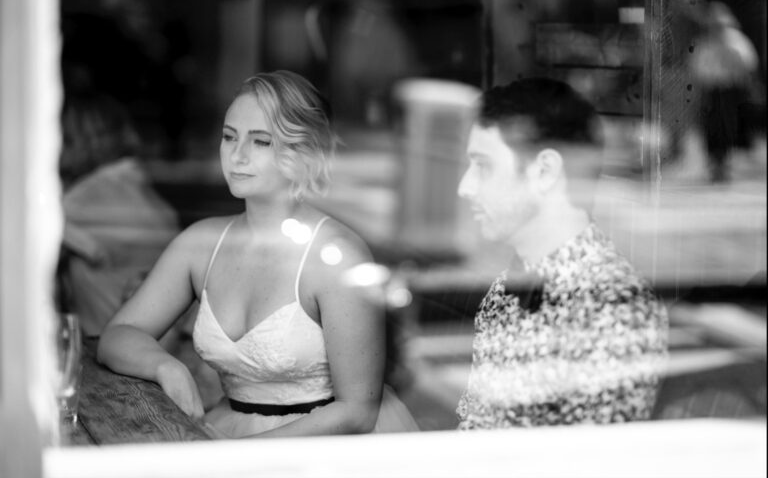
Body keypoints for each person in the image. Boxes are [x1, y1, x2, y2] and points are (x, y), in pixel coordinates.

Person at [98, 70, 418, 437]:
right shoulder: (201, 243)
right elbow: (118, 335)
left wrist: (240, 460)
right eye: (228, 136)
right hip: (230, 427)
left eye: (261, 142)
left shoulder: (335, 255)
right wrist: (165, 367)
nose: (237, 155)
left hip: (323, 448)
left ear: (304, 152)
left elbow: (356, 412)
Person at [455, 78, 669, 429]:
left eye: (484, 166)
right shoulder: (509, 285)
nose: (466, 187)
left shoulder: (613, 308)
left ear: (545, 171)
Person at [58, 94, 180, 339]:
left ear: (78, 141)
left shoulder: (84, 199)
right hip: (159, 350)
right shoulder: (143, 191)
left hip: (108, 352)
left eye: (61, 136)